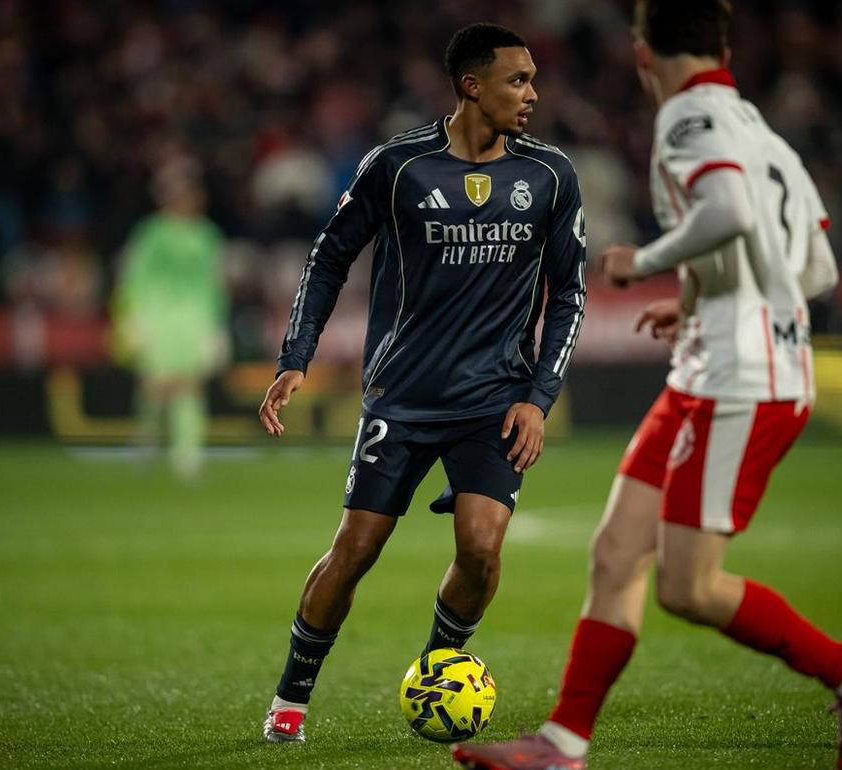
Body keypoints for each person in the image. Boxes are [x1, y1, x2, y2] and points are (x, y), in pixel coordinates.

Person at [452, 2, 842, 769]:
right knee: (616, 551)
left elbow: (727, 211)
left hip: (742, 382)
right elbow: (818, 268)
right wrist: (701, 303)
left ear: (641, 51)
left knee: (688, 588)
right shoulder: (759, 131)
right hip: (712, 369)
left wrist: (646, 261)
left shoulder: (687, 118)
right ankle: (562, 745)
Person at [258, 22, 588, 744]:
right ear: (472, 85)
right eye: (518, 80)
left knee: (482, 549)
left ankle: (441, 669)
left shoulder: (550, 175)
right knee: (356, 550)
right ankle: (290, 699)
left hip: (495, 400)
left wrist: (538, 399)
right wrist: (296, 356)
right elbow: (328, 258)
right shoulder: (399, 166)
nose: (532, 94)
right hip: (402, 398)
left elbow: (569, 293)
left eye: (533, 80)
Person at [111, 159, 230, 477]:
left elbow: (215, 283)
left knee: (190, 385)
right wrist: (131, 318)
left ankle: (187, 454)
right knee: (155, 385)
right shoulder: (151, 234)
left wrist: (216, 326)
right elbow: (133, 278)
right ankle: (147, 440)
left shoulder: (207, 235)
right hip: (157, 316)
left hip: (194, 318)